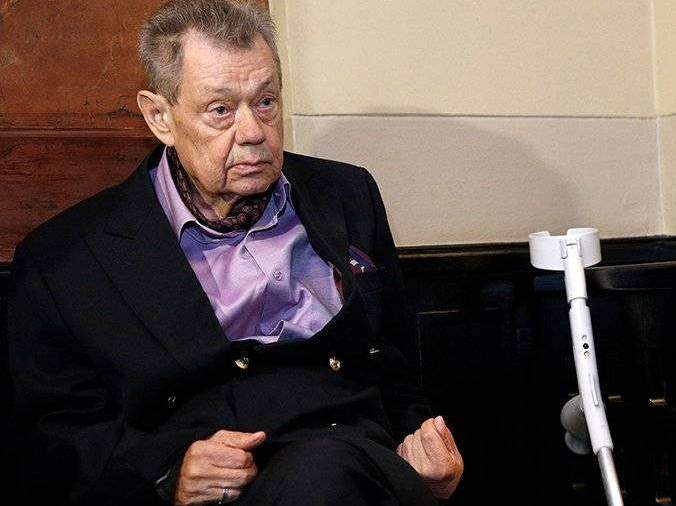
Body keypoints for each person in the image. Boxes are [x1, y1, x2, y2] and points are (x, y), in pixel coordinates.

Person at [7, 0, 463, 504]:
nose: (252, 132)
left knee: (326, 472)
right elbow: (54, 440)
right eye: (220, 110)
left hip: (354, 459)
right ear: (159, 116)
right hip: (220, 489)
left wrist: (423, 450)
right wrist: (166, 472)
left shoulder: (347, 196)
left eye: (265, 102)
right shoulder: (67, 260)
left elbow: (396, 366)